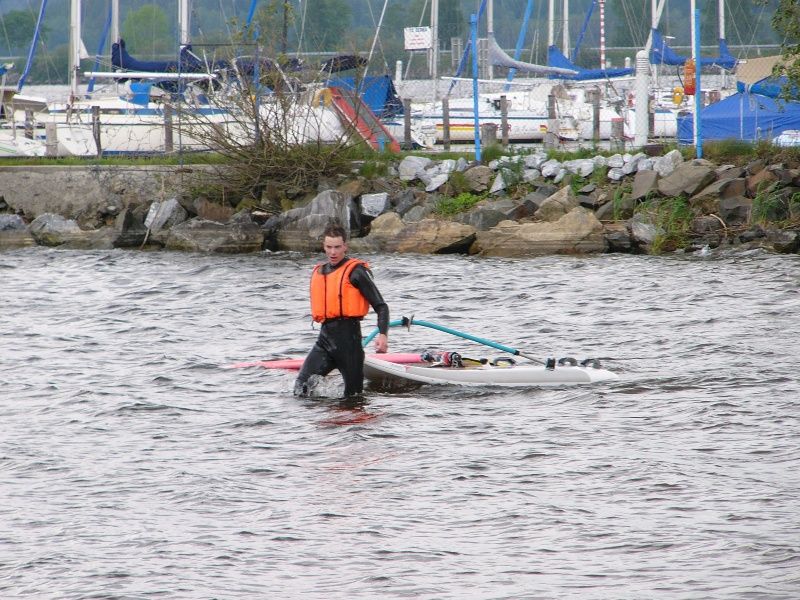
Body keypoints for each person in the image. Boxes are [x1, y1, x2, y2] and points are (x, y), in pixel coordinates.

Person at [294, 223, 389, 397]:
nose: (333, 252)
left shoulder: (356, 272)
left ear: (345, 246)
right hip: (324, 341)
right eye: (329, 247)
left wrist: (383, 335)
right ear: (323, 246)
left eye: (337, 247)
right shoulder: (321, 271)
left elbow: (381, 306)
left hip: (349, 343)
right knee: (301, 388)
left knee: (353, 398)